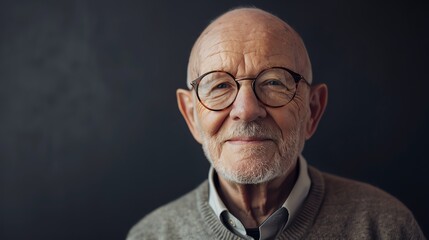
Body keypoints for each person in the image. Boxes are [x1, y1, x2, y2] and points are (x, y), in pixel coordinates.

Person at [127, 7, 425, 240]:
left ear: (313, 109)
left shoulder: (385, 227)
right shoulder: (151, 235)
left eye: (272, 82)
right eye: (219, 87)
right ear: (191, 115)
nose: (246, 110)